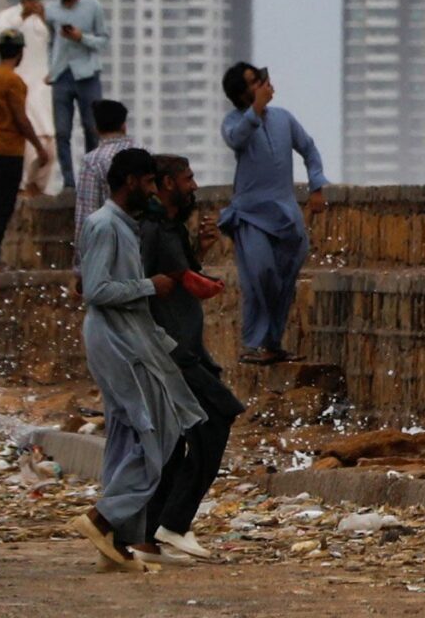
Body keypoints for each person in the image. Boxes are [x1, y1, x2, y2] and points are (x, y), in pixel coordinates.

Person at [69, 147, 206, 573]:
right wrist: (149, 286)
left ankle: (116, 541)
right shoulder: (104, 225)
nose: (153, 190)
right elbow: (95, 290)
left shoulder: (124, 227)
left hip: (132, 336)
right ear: (131, 181)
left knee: (131, 435)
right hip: (114, 338)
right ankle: (101, 517)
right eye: (148, 182)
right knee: (156, 434)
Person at [139, 154, 241, 561]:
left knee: (179, 438)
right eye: (187, 178)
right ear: (165, 184)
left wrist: (199, 249)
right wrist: (209, 284)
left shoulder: (169, 229)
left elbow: (183, 275)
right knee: (216, 417)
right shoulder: (151, 231)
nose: (194, 185)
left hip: (184, 348)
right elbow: (176, 284)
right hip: (172, 352)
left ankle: (151, 534)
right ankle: (171, 524)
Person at [218, 62, 328, 364]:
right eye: (255, 82)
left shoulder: (283, 119)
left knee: (283, 280)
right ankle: (255, 341)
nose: (265, 84)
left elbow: (308, 149)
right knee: (260, 274)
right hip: (251, 216)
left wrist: (316, 185)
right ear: (243, 95)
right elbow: (236, 138)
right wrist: (255, 110)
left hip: (285, 214)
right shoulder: (233, 121)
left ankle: (272, 343)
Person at [0, 32, 51, 269]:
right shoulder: (13, 81)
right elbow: (21, 119)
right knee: (4, 206)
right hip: (9, 151)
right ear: (20, 53)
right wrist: (39, 148)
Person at [46, 0, 110, 173]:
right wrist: (49, 69)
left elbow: (103, 41)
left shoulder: (93, 7)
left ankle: (91, 175)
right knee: (62, 132)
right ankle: (68, 181)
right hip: (61, 74)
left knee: (92, 129)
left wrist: (81, 37)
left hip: (87, 73)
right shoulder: (51, 11)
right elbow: (49, 42)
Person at [0, 0, 58, 163]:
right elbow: (2, 38)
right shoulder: (7, 16)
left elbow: (61, 42)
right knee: (21, 132)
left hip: (44, 85)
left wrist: (44, 18)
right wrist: (24, 15)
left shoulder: (49, 16)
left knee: (47, 136)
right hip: (16, 81)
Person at [73, 99, 138, 235]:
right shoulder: (146, 153)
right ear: (123, 126)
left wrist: (81, 253)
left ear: (96, 129)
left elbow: (87, 214)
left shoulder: (92, 161)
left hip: (111, 239)